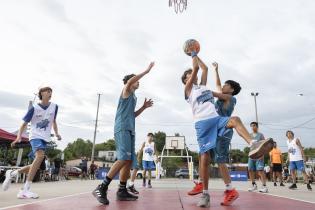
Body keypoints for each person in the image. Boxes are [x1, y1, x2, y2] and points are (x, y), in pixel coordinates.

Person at [181, 49, 273, 207]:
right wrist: (193, 54)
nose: (193, 75)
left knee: (235, 119)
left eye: (192, 74)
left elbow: (204, 69)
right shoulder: (189, 90)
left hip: (217, 120)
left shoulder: (203, 86)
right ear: (186, 80)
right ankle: (205, 193)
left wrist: (200, 58)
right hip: (202, 124)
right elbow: (197, 69)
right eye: (189, 75)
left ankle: (253, 145)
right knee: (205, 158)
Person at [92, 62, 155, 205]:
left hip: (130, 129)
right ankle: (101, 187)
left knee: (127, 160)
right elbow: (131, 81)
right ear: (129, 82)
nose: (137, 82)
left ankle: (121, 190)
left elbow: (132, 115)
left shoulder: (133, 97)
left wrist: (144, 108)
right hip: (122, 128)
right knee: (122, 158)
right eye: (135, 80)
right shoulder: (126, 90)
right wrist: (146, 71)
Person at [187, 62, 240, 206]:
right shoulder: (223, 95)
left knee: (220, 160)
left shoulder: (230, 98)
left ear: (232, 89)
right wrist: (217, 70)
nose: (223, 86)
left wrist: (207, 90)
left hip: (223, 130)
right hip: (214, 128)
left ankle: (230, 189)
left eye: (226, 85)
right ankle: (201, 182)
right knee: (203, 153)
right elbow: (218, 84)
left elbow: (216, 90)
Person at [2, 86, 61, 198]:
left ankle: (13, 173)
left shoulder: (54, 107)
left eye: (51, 91)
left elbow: (54, 121)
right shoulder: (34, 108)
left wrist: (57, 133)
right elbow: (23, 124)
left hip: (45, 138)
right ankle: (25, 190)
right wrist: (18, 137)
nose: (50, 93)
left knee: (37, 166)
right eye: (47, 91)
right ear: (41, 93)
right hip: (35, 136)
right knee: (40, 156)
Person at [247, 122, 268, 193]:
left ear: (257, 127)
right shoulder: (249, 135)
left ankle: (264, 186)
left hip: (259, 155)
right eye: (252, 126)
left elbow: (264, 145)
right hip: (251, 155)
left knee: (260, 171)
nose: (253, 127)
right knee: (250, 170)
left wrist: (262, 155)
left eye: (254, 126)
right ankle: (254, 185)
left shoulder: (261, 135)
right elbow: (249, 143)